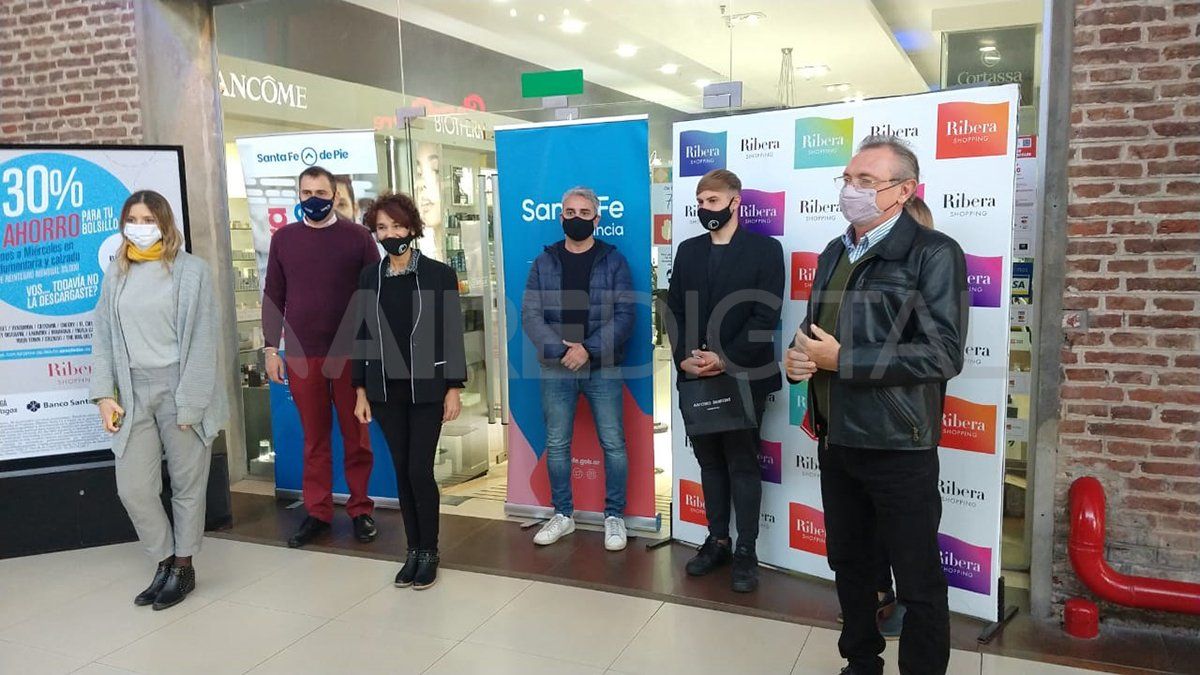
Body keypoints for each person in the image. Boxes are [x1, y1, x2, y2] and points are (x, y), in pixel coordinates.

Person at [786, 134, 967, 675]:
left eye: (867, 181)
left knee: (917, 580)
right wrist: (799, 359)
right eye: (847, 179)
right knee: (850, 564)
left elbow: (943, 353)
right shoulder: (834, 252)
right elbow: (815, 334)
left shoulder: (934, 253)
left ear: (904, 190)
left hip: (898, 444)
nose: (852, 189)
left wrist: (845, 361)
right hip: (837, 437)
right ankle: (861, 662)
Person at [90, 190, 228, 610]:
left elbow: (205, 340)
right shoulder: (117, 273)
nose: (140, 226)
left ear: (164, 223)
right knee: (133, 486)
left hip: (180, 386)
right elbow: (103, 337)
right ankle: (164, 559)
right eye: (132, 218)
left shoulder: (192, 271)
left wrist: (190, 403)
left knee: (187, 484)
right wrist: (103, 395)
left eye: (148, 218)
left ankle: (183, 566)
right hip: (132, 390)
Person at [665, 168, 784, 593]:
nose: (704, 209)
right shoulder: (688, 250)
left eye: (712, 201)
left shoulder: (765, 250)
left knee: (742, 464)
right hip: (694, 376)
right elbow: (673, 310)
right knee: (709, 463)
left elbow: (764, 316)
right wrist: (684, 359)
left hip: (744, 377)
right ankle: (717, 541)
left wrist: (724, 357)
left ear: (735, 203)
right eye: (700, 202)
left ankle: (746, 550)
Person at [352, 192, 467, 590]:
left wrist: (454, 386)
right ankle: (412, 549)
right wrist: (359, 391)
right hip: (383, 390)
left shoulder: (437, 274)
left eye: (397, 226)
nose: (390, 234)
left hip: (428, 389)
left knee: (420, 469)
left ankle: (430, 550)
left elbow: (452, 333)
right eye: (382, 228)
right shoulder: (370, 277)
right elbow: (362, 335)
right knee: (401, 471)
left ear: (412, 228)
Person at [263, 165, 382, 548]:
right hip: (301, 355)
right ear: (298, 195)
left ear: (334, 194)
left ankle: (361, 509)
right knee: (313, 439)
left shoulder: (359, 237)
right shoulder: (284, 240)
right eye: (306, 192)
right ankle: (317, 512)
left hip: (350, 354)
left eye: (320, 192)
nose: (313, 199)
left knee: (356, 436)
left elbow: (373, 297)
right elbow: (273, 295)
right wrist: (270, 349)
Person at [522, 186, 635, 552]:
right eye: (569, 212)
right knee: (556, 444)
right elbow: (531, 314)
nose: (576, 219)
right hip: (557, 367)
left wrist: (587, 349)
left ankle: (614, 516)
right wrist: (562, 350)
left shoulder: (613, 261)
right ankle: (563, 514)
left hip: (603, 366)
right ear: (561, 217)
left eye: (584, 213)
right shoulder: (544, 261)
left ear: (597, 219)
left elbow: (625, 315)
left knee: (614, 444)